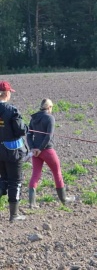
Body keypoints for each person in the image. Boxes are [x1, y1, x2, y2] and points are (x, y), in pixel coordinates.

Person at [26, 98, 74, 207]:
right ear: (49, 107)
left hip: (35, 152)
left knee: (35, 174)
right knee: (57, 173)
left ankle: (32, 203)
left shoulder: (34, 118)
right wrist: (40, 149)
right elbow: (49, 136)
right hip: (47, 150)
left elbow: (29, 135)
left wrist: (33, 148)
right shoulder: (50, 118)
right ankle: (64, 199)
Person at [0, 81, 28, 222]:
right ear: (6, 93)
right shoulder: (12, 110)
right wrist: (26, 128)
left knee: (3, 179)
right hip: (13, 151)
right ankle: (14, 215)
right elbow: (21, 130)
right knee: (15, 181)